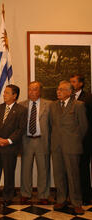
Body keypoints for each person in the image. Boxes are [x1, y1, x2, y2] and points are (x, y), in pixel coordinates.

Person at [0, 84, 27, 206]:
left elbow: (20, 129)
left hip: (10, 147)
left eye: (7, 93)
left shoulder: (21, 110)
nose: (4, 95)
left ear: (15, 95)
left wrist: (7, 141)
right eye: (4, 92)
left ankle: (7, 197)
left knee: (9, 173)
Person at [50, 81, 88, 215]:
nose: (58, 91)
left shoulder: (79, 105)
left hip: (72, 147)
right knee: (58, 174)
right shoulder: (53, 105)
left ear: (69, 92)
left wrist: (74, 141)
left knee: (73, 176)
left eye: (61, 89)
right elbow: (51, 126)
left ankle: (76, 202)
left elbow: (83, 127)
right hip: (56, 147)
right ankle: (61, 199)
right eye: (57, 89)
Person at [19, 81, 51, 205]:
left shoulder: (49, 105)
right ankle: (25, 193)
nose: (31, 92)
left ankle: (43, 194)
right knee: (25, 169)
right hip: (26, 140)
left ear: (40, 91)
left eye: (35, 89)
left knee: (44, 169)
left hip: (42, 140)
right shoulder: (21, 105)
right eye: (30, 89)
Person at [70, 74, 92, 205]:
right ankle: (72, 195)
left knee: (83, 168)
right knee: (72, 168)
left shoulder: (88, 98)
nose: (71, 84)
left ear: (81, 84)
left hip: (85, 140)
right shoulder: (68, 98)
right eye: (70, 81)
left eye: (74, 81)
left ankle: (85, 197)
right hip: (70, 140)